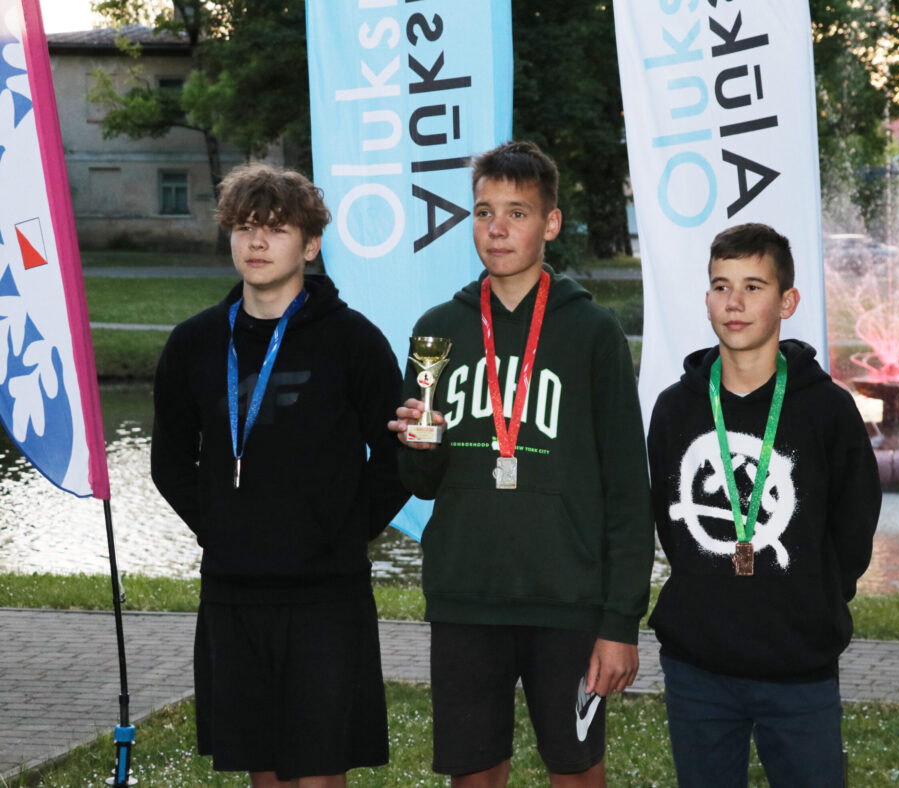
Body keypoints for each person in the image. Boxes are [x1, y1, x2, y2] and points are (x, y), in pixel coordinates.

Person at [388, 141, 654, 787]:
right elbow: (419, 483)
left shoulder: (591, 332)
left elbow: (627, 489)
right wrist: (421, 447)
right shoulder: (437, 330)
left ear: (550, 223)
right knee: (473, 774)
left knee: (577, 769)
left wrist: (619, 622)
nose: (497, 229)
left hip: (567, 599)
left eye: (517, 213)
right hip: (466, 595)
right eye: (484, 213)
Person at [151, 162, 408, 788]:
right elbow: (170, 463)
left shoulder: (353, 341)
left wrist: (343, 530)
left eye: (276, 229)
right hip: (233, 591)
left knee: (318, 772)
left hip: (326, 593)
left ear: (311, 245)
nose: (257, 242)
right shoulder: (193, 343)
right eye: (244, 227)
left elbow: (398, 455)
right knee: (262, 770)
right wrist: (221, 528)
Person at [646, 223, 880, 787]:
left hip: (799, 667)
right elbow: (670, 521)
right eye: (721, 286)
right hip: (697, 667)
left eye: (753, 287)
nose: (735, 302)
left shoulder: (827, 410)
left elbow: (854, 524)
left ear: (787, 301)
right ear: (706, 298)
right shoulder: (675, 409)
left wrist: (816, 599)